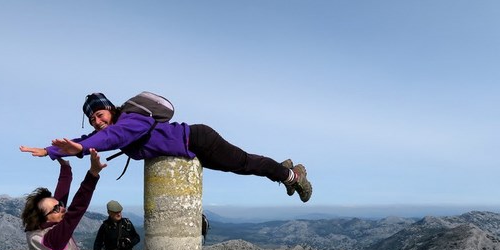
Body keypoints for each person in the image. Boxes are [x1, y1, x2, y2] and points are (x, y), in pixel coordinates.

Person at [20, 92, 312, 202]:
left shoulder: (131, 120)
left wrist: (79, 149)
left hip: (199, 139)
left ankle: (293, 175)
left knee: (244, 164)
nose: (96, 122)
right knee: (242, 168)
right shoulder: (117, 126)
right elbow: (84, 142)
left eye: (99, 114)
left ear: (110, 109)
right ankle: (281, 170)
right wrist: (50, 151)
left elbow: (109, 140)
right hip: (192, 148)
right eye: (92, 119)